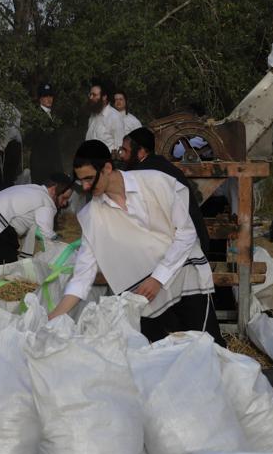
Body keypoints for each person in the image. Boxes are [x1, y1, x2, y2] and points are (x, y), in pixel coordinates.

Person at [49, 140, 223, 345]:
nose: (85, 187)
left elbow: (186, 234)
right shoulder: (91, 217)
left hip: (185, 278)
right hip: (144, 298)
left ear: (106, 167)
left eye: (89, 179)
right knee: (159, 360)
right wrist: (53, 317)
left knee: (209, 347)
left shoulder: (155, 182)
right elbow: (82, 277)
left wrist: (158, 278)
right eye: (81, 181)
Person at [121, 127, 211, 256]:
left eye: (125, 151)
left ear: (141, 151)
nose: (122, 155)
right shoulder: (162, 165)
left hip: (181, 243)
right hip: (193, 240)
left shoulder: (141, 173)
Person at [0, 173, 75, 270]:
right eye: (64, 198)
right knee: (5, 277)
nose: (64, 203)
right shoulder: (46, 202)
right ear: (53, 189)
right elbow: (47, 234)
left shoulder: (30, 189)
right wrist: (64, 252)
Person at [24, 82, 63, 183]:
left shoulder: (53, 115)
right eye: (45, 96)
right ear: (40, 98)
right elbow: (28, 140)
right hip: (40, 166)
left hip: (52, 165)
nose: (49, 99)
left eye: (50, 95)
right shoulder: (35, 116)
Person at [85, 80, 125, 154]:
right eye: (90, 94)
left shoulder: (115, 117)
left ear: (104, 97)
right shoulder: (93, 116)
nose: (90, 97)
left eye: (94, 95)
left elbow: (120, 148)